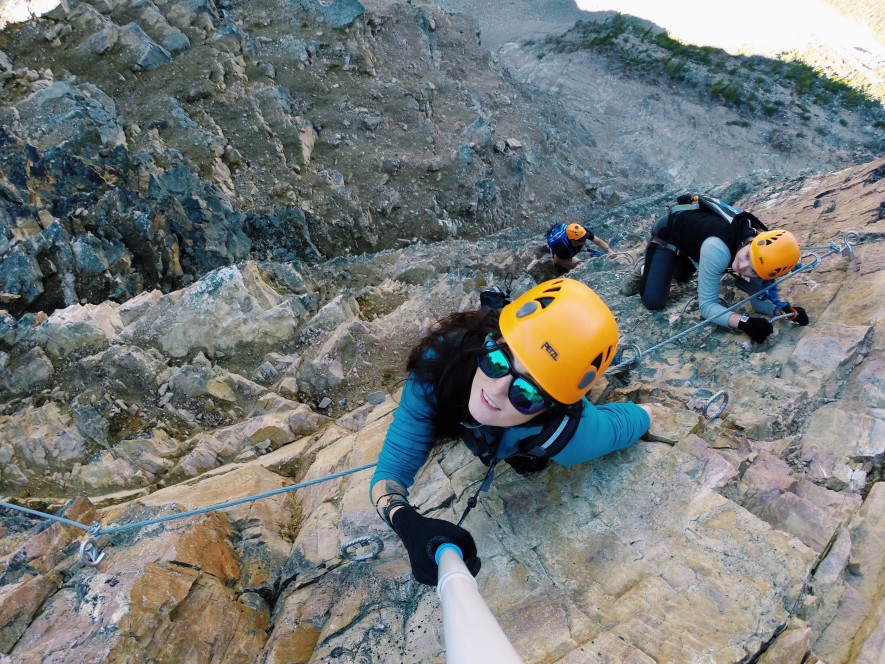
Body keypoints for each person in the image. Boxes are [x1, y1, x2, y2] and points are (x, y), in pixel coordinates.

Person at [371, 279, 653, 585]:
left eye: (527, 393)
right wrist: (407, 522)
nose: (497, 389)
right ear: (489, 340)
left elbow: (625, 422)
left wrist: (649, 413)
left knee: (529, 461)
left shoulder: (570, 436)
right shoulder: (441, 365)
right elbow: (392, 470)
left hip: (530, 432)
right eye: (496, 360)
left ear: (551, 408)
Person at [623, 199, 810, 344]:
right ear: (751, 242)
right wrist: (744, 322)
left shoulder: (763, 256)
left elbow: (759, 300)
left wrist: (784, 310)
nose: (742, 267)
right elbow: (706, 307)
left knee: (682, 277)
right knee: (653, 301)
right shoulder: (718, 250)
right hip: (668, 233)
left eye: (752, 271)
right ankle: (645, 266)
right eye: (746, 257)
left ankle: (682, 261)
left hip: (695, 242)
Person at [546, 222, 613, 273]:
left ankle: (586, 253)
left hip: (572, 246)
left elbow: (598, 241)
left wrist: (609, 250)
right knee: (582, 266)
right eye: (581, 240)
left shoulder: (583, 232)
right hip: (561, 255)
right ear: (573, 241)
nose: (584, 240)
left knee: (598, 254)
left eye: (584, 238)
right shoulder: (563, 248)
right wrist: (576, 264)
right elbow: (557, 260)